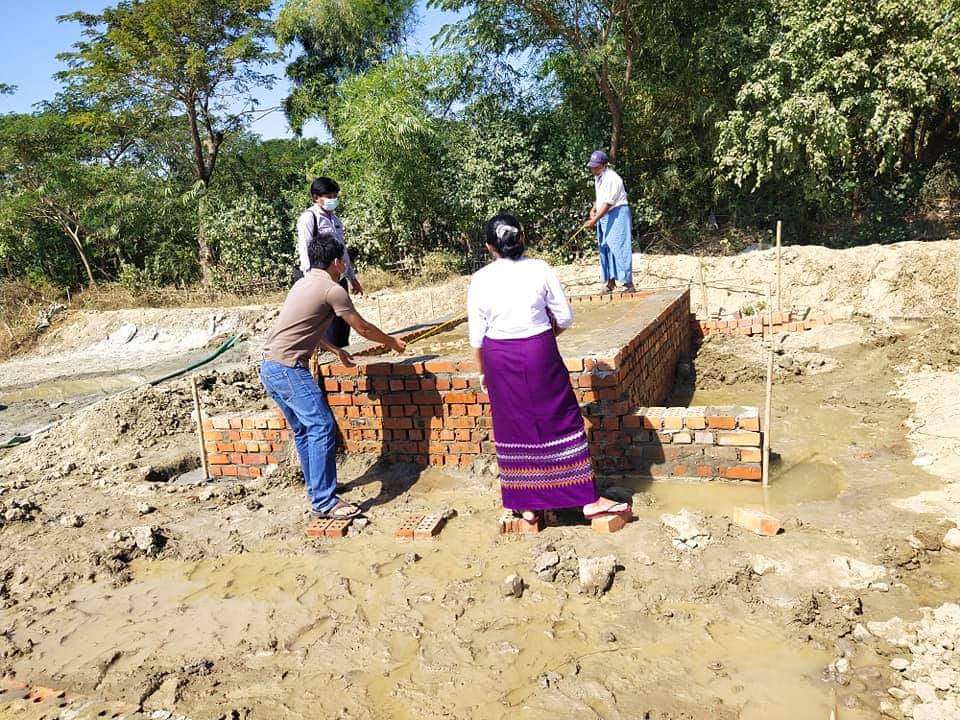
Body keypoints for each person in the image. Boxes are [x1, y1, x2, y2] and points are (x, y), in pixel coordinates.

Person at [467, 212, 630, 523]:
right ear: (522, 238)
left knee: (513, 424)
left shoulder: (480, 280)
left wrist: (484, 372)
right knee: (561, 417)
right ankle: (586, 499)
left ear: (489, 247)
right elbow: (565, 317)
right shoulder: (540, 269)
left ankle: (526, 503)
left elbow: (477, 336)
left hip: (498, 357)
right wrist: (542, 336)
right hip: (539, 351)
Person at [262, 232, 405, 519]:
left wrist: (335, 350)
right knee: (322, 426)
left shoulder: (302, 284)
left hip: (269, 366)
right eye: (344, 261)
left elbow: (304, 327)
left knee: (305, 430)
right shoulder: (333, 289)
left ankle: (318, 489)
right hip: (289, 368)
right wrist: (391, 342)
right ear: (337, 262)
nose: (345, 266)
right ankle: (325, 501)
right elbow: (362, 328)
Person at [295, 176, 363, 347]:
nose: (333, 200)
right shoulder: (309, 218)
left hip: (337, 275)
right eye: (329, 196)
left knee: (342, 322)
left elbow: (343, 251)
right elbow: (305, 249)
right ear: (316, 197)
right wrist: (311, 280)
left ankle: (343, 353)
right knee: (327, 323)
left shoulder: (335, 220)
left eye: (335, 196)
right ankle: (329, 356)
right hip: (319, 278)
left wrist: (352, 278)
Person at [583, 150, 636, 293]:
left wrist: (594, 220)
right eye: (592, 167)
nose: (593, 169)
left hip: (617, 213)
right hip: (604, 215)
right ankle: (610, 282)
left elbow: (608, 203)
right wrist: (594, 209)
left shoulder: (613, 178)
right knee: (605, 246)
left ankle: (628, 283)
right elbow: (600, 197)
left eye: (596, 167)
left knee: (619, 246)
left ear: (604, 165)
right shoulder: (598, 177)